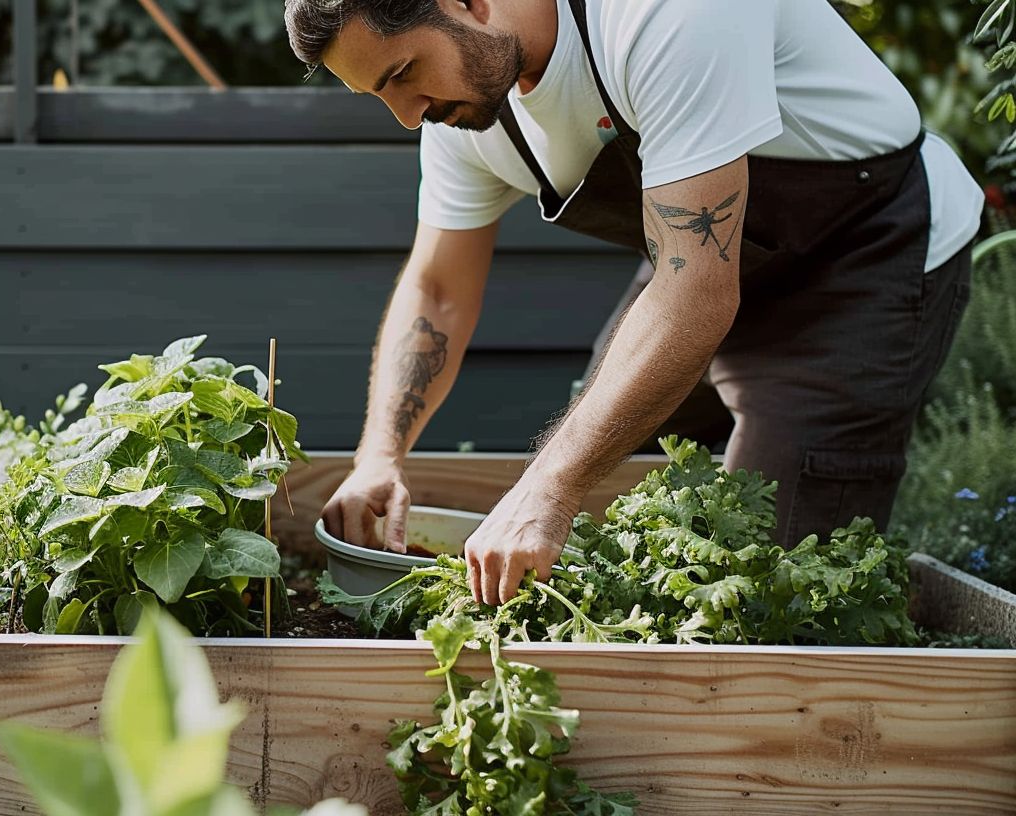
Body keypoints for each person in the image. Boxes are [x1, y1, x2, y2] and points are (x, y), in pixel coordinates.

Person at [284, 0, 983, 605]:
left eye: (403, 73)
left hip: (861, 256)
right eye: (378, 94)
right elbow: (437, 290)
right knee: (601, 472)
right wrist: (380, 455)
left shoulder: (660, 16)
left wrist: (546, 489)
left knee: (776, 583)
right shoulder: (465, 112)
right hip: (708, 260)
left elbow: (693, 294)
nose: (408, 117)